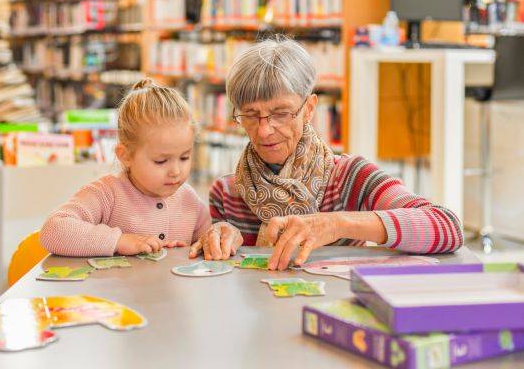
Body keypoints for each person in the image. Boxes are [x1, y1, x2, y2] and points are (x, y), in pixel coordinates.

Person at [189, 38, 463, 270]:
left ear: (309, 108)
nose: (264, 131)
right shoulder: (227, 192)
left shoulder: (350, 177)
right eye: (250, 115)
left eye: (281, 114)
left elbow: (446, 226)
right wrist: (220, 238)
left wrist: (336, 224)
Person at [40, 79, 211, 256]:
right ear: (126, 156)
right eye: (161, 161)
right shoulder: (107, 193)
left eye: (184, 158)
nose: (176, 171)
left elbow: (208, 239)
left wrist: (207, 242)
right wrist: (118, 241)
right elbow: (53, 231)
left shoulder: (190, 200)